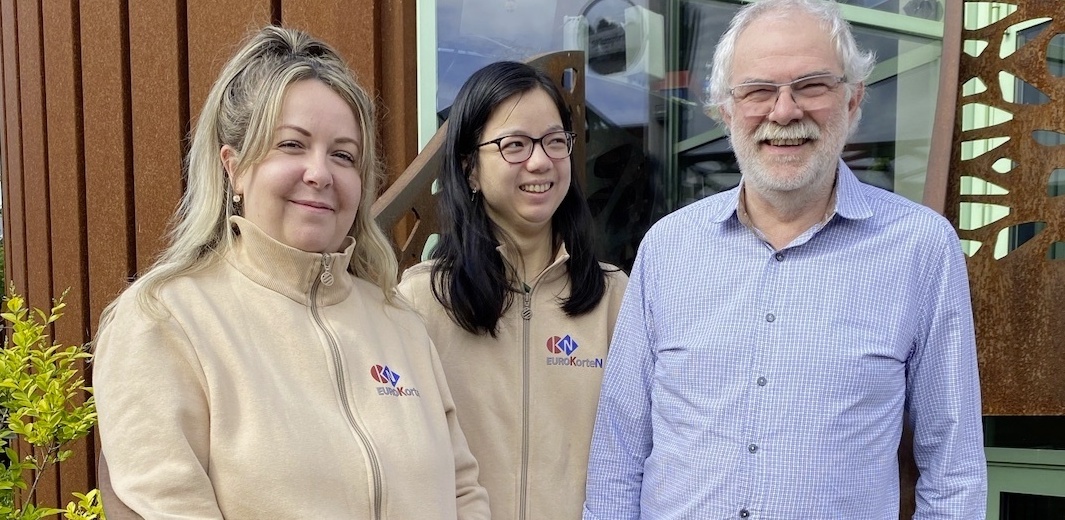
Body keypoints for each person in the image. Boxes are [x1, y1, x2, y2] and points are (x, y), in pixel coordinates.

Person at [583, 0, 987, 518]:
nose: (784, 111)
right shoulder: (668, 248)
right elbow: (620, 448)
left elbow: (952, 468)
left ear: (853, 99)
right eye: (757, 90)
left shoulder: (920, 248)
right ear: (726, 109)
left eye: (813, 85)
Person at [93, 25, 489, 518]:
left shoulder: (399, 323)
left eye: (343, 155)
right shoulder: (163, 322)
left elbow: (464, 492)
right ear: (233, 167)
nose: (320, 173)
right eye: (291, 145)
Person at [396, 61, 628, 519]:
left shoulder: (614, 298)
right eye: (514, 145)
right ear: (470, 172)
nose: (540, 161)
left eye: (554, 141)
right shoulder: (421, 301)